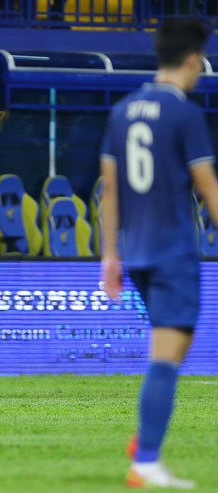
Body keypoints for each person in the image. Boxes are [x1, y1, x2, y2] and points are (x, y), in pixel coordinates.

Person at [100, 18, 217, 489]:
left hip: (138, 253)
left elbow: (110, 189)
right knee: (167, 356)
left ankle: (144, 439)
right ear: (192, 59)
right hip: (173, 252)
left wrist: (110, 255)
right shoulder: (184, 114)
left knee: (175, 346)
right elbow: (208, 188)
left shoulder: (123, 110)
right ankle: (146, 461)